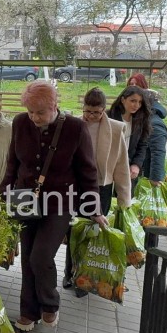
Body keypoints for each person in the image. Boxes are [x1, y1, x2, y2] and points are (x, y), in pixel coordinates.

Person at [0, 81, 99, 331]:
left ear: (54, 105)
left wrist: (93, 208)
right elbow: (13, 161)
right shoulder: (20, 122)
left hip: (59, 203)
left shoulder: (75, 127)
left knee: (41, 256)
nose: (34, 117)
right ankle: (27, 312)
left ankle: (50, 303)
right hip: (25, 200)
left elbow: (88, 170)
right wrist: (3, 192)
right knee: (28, 260)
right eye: (30, 111)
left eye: (40, 112)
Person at [63, 87, 126, 293]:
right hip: (75, 186)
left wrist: (125, 199)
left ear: (104, 110)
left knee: (93, 233)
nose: (91, 116)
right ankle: (69, 273)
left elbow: (121, 164)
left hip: (101, 187)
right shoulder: (73, 124)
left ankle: (87, 276)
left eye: (96, 113)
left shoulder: (116, 129)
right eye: (87, 111)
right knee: (74, 230)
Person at [107, 86, 152, 187]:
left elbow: (142, 145)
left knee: (126, 201)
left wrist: (136, 165)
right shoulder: (109, 117)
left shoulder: (140, 121)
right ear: (123, 100)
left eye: (140, 102)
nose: (136, 105)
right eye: (133, 101)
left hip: (129, 168)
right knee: (105, 201)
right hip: (108, 168)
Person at [140, 90, 167, 188]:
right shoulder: (145, 118)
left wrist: (155, 178)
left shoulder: (155, 123)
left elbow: (158, 152)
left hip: (147, 175)